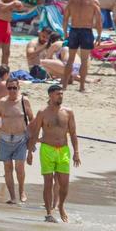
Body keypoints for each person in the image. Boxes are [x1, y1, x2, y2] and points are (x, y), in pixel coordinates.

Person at [27, 85, 78, 223]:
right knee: (48, 182)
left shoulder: (68, 112)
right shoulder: (42, 112)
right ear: (50, 95)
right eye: (57, 94)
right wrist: (30, 152)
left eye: (61, 94)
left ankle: (61, 205)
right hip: (47, 149)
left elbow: (73, 133)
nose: (60, 96)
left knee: (64, 183)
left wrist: (76, 152)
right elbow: (36, 132)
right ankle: (49, 212)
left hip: (63, 150)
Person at [0, 74, 32, 207]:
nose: (12, 90)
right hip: (5, 138)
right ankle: (12, 196)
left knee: (19, 167)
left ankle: (22, 191)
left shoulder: (24, 101)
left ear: (18, 87)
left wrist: (32, 139)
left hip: (21, 138)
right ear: (6, 88)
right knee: (8, 168)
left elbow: (32, 120)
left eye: (14, 88)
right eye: (10, 88)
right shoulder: (2, 102)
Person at [61, 0, 103, 90]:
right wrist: (99, 35)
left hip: (74, 30)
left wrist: (65, 32)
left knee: (70, 59)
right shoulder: (93, 2)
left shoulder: (72, 0)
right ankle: (82, 87)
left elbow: (65, 18)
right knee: (84, 60)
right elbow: (98, 21)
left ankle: (64, 86)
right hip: (86, 31)